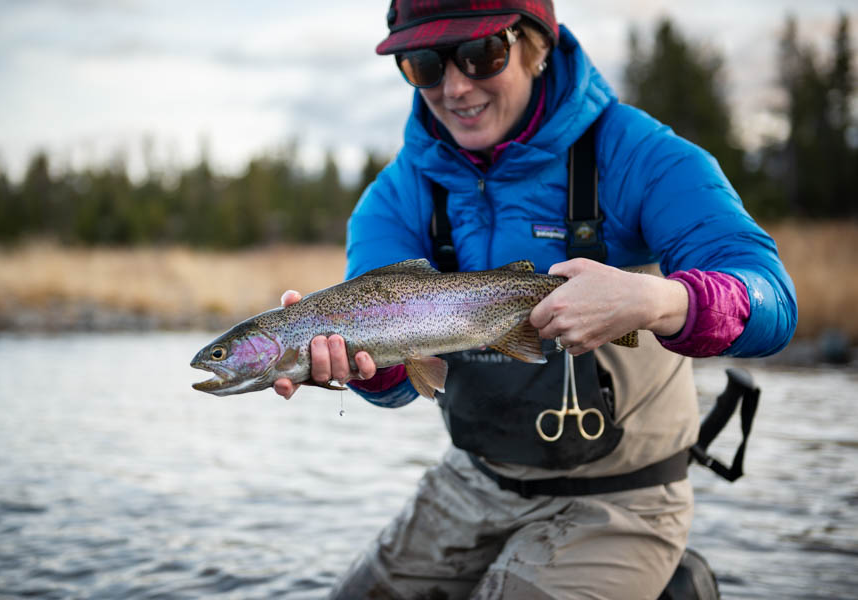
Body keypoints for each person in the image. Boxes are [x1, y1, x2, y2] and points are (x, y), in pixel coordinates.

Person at [273, 1, 797, 598]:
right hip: (474, 481)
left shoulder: (641, 156)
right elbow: (396, 385)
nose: (456, 87)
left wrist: (658, 299)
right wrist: (361, 369)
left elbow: (773, 301)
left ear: (535, 45)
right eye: (424, 65)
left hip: (626, 498)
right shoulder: (395, 199)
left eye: (480, 55)